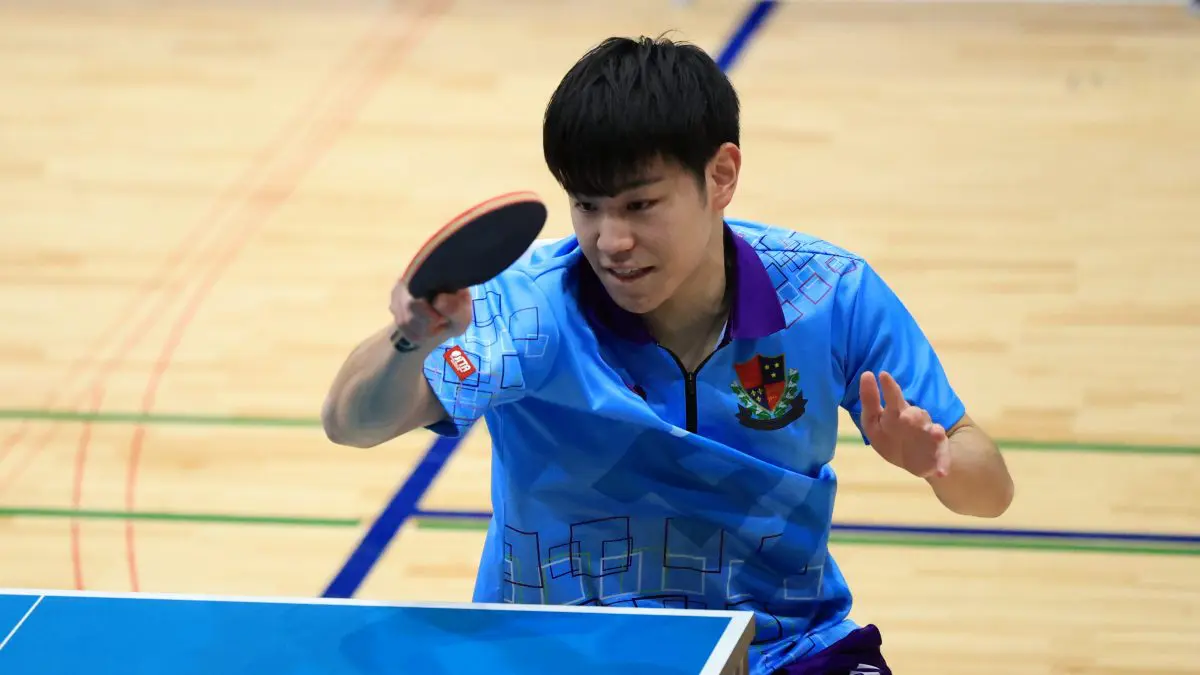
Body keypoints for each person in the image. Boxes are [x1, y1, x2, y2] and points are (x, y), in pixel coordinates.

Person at [322, 35, 1014, 675]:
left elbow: (990, 489)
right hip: (561, 653)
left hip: (782, 649)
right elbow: (353, 423)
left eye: (640, 205)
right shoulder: (528, 309)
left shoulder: (826, 294)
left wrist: (938, 463)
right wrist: (409, 339)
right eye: (587, 206)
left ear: (721, 176)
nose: (610, 241)